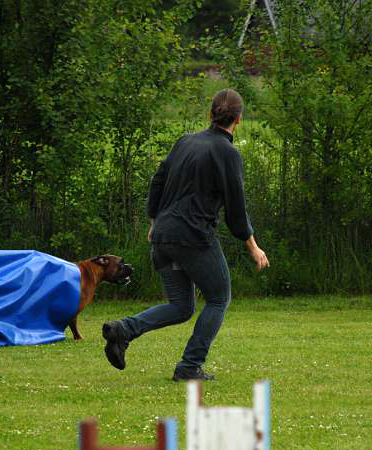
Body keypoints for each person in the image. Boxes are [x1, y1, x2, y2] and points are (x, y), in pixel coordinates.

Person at [101, 88, 269, 381]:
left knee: (181, 306)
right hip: (192, 237)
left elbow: (158, 180)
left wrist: (154, 220)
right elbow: (236, 206)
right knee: (218, 298)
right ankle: (190, 366)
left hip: (164, 235)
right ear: (239, 120)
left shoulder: (186, 141)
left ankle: (123, 330)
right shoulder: (227, 153)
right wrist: (252, 246)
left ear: (210, 114)